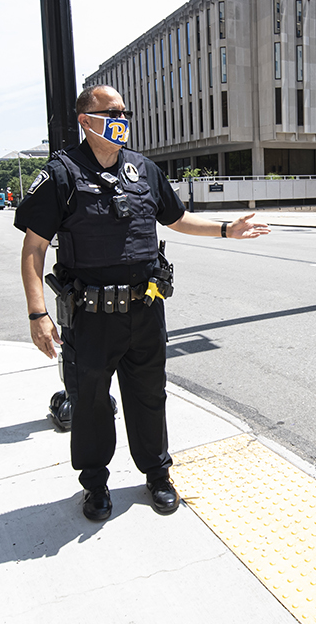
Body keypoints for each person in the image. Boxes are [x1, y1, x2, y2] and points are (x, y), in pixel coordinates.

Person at [15, 85, 269, 522]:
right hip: (90, 318)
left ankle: (157, 475)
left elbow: (177, 219)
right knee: (91, 404)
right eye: (111, 111)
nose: (121, 118)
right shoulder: (61, 175)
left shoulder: (144, 170)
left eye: (124, 111)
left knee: (149, 397)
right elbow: (34, 249)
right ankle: (94, 485)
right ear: (85, 120)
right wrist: (37, 314)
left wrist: (228, 229)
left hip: (145, 310)